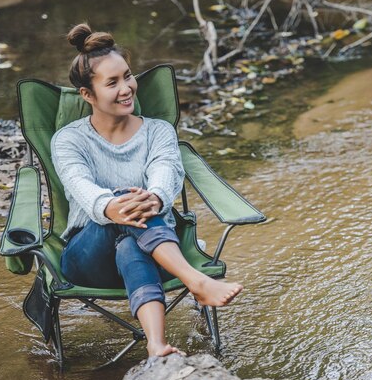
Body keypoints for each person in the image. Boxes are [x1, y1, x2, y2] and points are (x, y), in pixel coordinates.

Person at [50, 23, 242, 357]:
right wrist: (114, 206)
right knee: (124, 205)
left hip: (154, 251)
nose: (126, 88)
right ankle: (196, 282)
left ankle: (156, 344)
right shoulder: (68, 140)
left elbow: (165, 173)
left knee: (130, 244)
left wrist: (154, 198)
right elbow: (81, 186)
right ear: (87, 95)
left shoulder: (159, 131)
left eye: (127, 76)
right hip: (87, 259)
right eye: (112, 83)